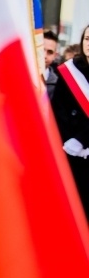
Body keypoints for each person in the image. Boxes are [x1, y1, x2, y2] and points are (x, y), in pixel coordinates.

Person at [51, 23, 89, 219]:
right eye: (87, 39)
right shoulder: (69, 71)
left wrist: (84, 141)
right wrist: (69, 141)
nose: (88, 44)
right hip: (69, 148)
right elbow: (58, 110)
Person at [43, 30, 59, 99]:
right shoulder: (18, 76)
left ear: (55, 56)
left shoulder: (58, 86)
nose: (44, 56)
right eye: (41, 50)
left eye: (50, 52)